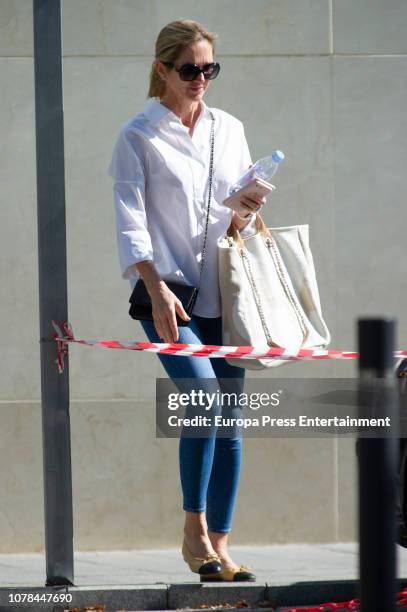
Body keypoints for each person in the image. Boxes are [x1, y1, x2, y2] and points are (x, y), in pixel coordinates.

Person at [108, 19, 272, 582]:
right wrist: (153, 288)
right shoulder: (139, 136)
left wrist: (247, 206)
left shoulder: (229, 128)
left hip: (222, 291)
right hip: (168, 292)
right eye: (189, 69)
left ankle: (219, 546)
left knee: (230, 419)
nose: (201, 78)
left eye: (209, 69)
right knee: (202, 398)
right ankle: (193, 530)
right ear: (162, 70)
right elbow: (130, 222)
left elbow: (234, 219)